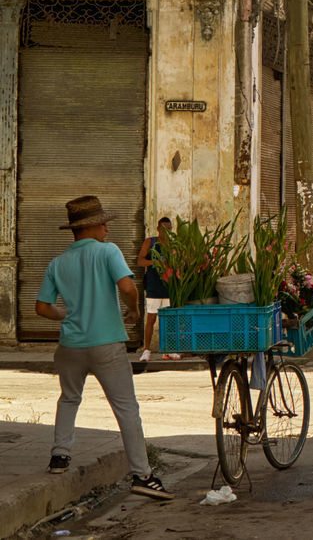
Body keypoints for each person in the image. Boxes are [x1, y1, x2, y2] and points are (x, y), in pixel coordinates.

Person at [35, 196, 173, 500]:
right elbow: (127, 286)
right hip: (106, 344)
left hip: (70, 346)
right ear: (93, 226)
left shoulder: (57, 263)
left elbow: (42, 307)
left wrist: (62, 314)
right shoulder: (108, 252)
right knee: (126, 409)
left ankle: (59, 456)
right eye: (104, 224)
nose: (107, 230)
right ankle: (142, 475)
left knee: (69, 398)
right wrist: (134, 311)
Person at [135, 217, 179, 363]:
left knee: (169, 320)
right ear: (158, 228)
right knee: (151, 318)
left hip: (169, 287)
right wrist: (155, 262)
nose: (166, 232)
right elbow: (140, 261)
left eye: (169, 229)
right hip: (154, 286)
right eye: (164, 229)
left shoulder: (173, 245)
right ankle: (147, 351)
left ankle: (169, 350)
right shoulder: (150, 242)